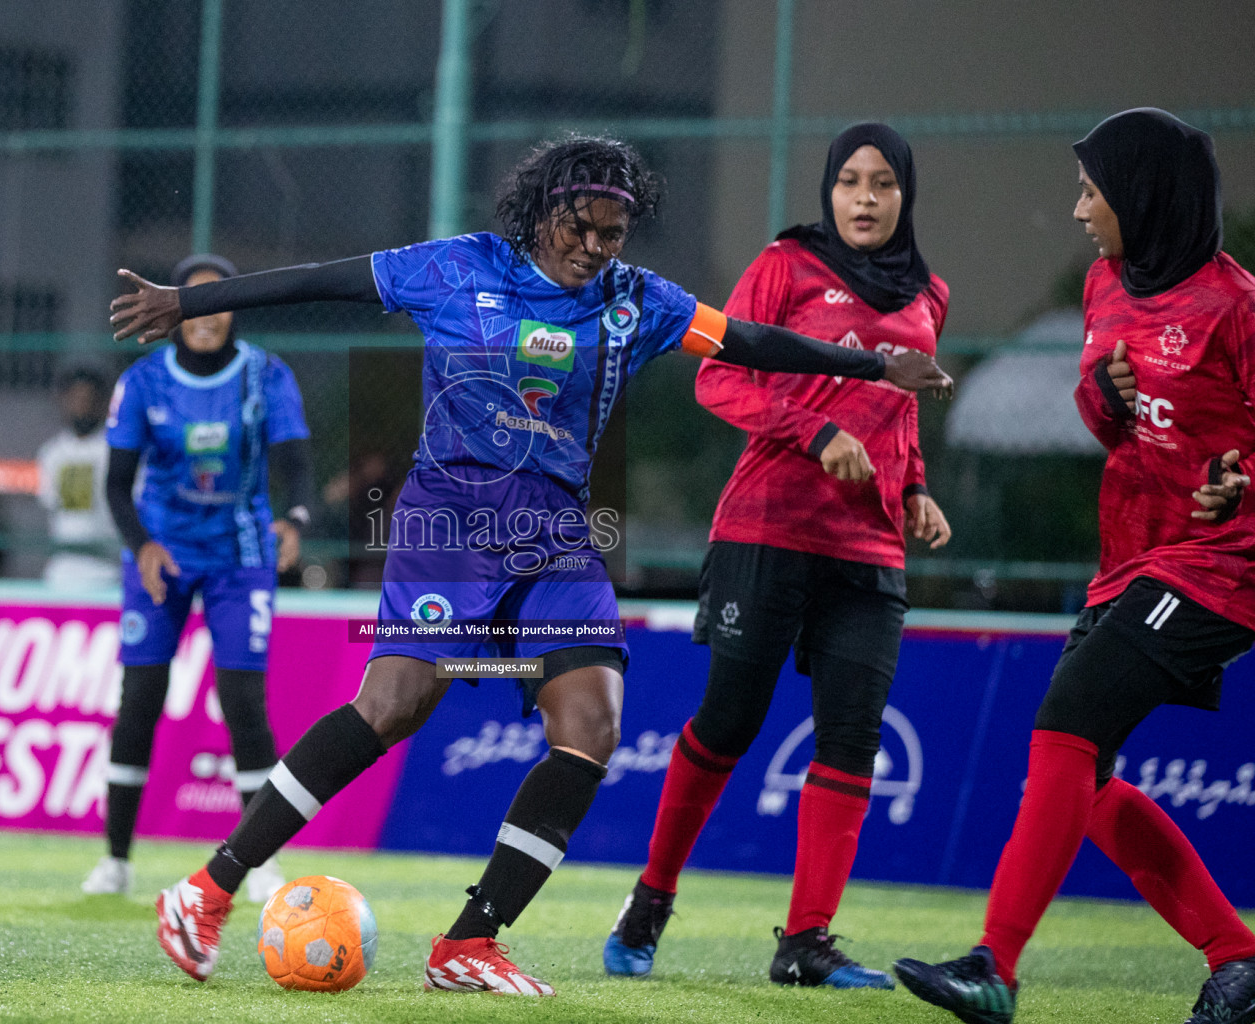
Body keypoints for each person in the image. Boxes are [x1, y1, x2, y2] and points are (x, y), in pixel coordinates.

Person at [110, 134, 952, 992]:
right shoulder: (455, 268)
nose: (596, 248)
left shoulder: (637, 302)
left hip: (554, 534)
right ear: (544, 211)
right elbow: (326, 277)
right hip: (451, 519)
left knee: (592, 725)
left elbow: (746, 342)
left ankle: (469, 943)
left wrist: (873, 366)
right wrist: (187, 303)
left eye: (615, 233)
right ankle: (207, 890)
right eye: (583, 227)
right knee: (393, 706)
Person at [894, 108, 1255, 1024]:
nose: (1077, 210)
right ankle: (1239, 960)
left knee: (1064, 731)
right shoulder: (1105, 285)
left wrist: (1242, 483)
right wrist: (1100, 393)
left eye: (1092, 191)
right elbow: (1105, 424)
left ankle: (996, 967)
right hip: (1129, 557)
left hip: (1219, 562)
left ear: (1143, 196)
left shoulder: (1237, 306)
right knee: (1084, 789)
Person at [603, 122, 952, 989]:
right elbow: (717, 375)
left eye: (882, 184)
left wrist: (913, 488)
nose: (865, 199)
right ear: (827, 190)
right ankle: (650, 900)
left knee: (851, 740)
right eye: (850, 183)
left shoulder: (930, 292)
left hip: (869, 551)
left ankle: (805, 942)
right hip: (766, 529)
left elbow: (900, 409)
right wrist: (816, 430)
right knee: (727, 723)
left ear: (905, 195)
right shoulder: (785, 267)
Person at [80, 253, 315, 903]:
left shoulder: (267, 376)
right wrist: (142, 546)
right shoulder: (144, 381)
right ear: (177, 309)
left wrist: (295, 519)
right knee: (140, 700)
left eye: (218, 302)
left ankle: (261, 863)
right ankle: (116, 861)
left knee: (243, 703)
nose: (206, 316)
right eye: (193, 302)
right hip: (162, 558)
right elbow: (117, 485)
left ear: (232, 308)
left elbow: (296, 466)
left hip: (240, 557)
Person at [36, 367, 121, 590]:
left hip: (108, 573)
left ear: (103, 402)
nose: (82, 405)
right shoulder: (51, 453)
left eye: (89, 399)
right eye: (75, 398)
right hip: (61, 573)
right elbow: (51, 505)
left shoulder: (118, 452)